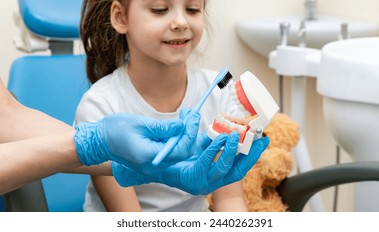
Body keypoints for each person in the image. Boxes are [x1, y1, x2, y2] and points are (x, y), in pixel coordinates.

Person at [77, 0, 269, 212]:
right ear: (121, 17)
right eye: (160, 9)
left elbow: (230, 199)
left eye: (192, 9)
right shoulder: (100, 108)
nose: (181, 21)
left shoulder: (219, 92)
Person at [0, 76, 268, 196]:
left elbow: (6, 117)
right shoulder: (102, 100)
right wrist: (95, 142)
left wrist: (149, 166)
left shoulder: (208, 87)